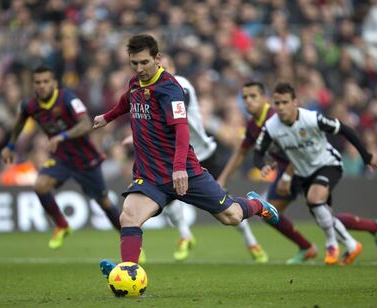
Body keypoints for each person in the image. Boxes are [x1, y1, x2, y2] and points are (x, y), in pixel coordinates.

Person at [93, 34, 278, 279]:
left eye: (144, 62)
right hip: (149, 175)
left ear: (158, 58)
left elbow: (181, 129)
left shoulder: (169, 88)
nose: (139, 69)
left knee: (231, 216)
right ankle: (128, 272)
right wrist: (107, 117)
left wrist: (179, 167)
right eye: (134, 63)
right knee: (129, 217)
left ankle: (256, 204)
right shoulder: (135, 83)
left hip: (185, 172)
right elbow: (127, 101)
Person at [218, 81, 377, 264]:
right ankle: (369, 229)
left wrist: (287, 176)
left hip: (300, 169)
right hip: (294, 168)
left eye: (253, 96)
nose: (248, 101)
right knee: (313, 212)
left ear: (265, 98)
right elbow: (244, 152)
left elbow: (298, 146)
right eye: (244, 97)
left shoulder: (278, 115)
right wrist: (223, 178)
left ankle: (322, 245)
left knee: (292, 210)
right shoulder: (255, 124)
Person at [157, 55, 268, 263]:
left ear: (172, 68)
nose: (161, 72)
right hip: (177, 157)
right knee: (166, 195)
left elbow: (175, 114)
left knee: (226, 205)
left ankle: (251, 240)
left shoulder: (181, 85)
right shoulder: (154, 92)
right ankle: (185, 236)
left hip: (204, 153)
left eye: (165, 68)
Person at [1, 65, 121, 249]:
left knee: (103, 202)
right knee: (40, 185)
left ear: (54, 83)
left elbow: (86, 124)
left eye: (46, 81)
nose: (42, 86)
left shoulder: (67, 98)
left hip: (85, 158)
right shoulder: (30, 105)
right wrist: (10, 146)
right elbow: (19, 123)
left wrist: (62, 136)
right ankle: (62, 225)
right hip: (61, 158)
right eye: (38, 82)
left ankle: (129, 240)